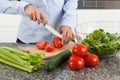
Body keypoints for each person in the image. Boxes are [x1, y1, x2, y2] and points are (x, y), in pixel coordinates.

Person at [0, 0, 78, 44]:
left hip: (62, 39)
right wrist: (24, 7)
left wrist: (67, 23)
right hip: (29, 41)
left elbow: (71, 1)